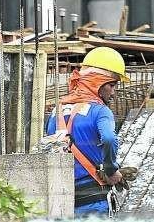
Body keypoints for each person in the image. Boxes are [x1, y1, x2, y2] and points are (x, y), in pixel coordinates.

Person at [46, 46, 134, 216]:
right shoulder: (100, 111)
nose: (114, 93)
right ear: (98, 83)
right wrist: (110, 169)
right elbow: (108, 138)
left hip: (60, 199)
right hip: (93, 200)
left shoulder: (56, 111)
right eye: (112, 85)